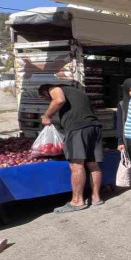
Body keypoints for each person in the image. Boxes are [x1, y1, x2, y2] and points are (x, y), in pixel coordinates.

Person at [40, 84, 103, 213]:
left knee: (76, 165)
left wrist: (47, 115)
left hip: (78, 129)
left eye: (46, 98)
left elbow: (59, 100)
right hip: (94, 127)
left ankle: (77, 201)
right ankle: (96, 198)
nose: (48, 101)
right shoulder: (76, 91)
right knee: (93, 163)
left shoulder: (54, 89)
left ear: (46, 92)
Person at [116, 78, 131, 161]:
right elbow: (120, 124)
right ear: (126, 91)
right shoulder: (122, 105)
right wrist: (120, 142)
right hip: (130, 140)